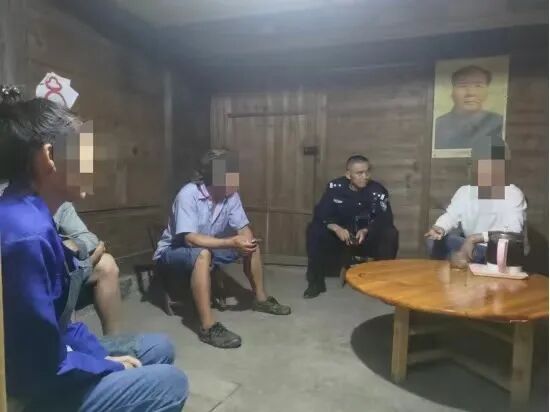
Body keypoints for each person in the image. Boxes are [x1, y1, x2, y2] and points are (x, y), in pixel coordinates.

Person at [0, 87, 187, 411]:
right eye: (83, 153)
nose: (92, 166)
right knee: (171, 383)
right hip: (30, 390)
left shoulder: (33, 214)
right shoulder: (26, 235)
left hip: (51, 356)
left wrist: (101, 358)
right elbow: (37, 368)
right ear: (49, 157)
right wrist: (106, 366)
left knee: (159, 347)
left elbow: (59, 323)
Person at [153, 149, 291, 349]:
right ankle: (208, 327)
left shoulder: (231, 195)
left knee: (251, 243)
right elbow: (190, 240)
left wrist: (245, 240)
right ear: (215, 178)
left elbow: (243, 227)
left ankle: (261, 299)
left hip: (209, 246)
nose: (236, 181)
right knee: (202, 254)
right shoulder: (188, 195)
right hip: (174, 251)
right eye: (230, 176)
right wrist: (231, 242)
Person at [303, 155, 399, 299]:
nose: (365, 176)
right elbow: (321, 214)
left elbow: (385, 219)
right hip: (340, 238)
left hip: (366, 238)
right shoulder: (335, 188)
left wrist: (367, 230)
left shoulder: (378, 190)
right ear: (348, 175)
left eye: (367, 172)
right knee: (314, 230)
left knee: (390, 233)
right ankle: (315, 283)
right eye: (359, 173)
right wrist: (336, 228)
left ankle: (383, 283)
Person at [425, 135, 527, 267]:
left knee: (487, 252)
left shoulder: (513, 194)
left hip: (495, 251)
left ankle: (462, 262)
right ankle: (462, 261)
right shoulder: (465, 192)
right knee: (433, 242)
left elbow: (512, 233)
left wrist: (475, 238)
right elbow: (451, 216)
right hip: (470, 247)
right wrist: (440, 228)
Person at [54, 202, 122, 335]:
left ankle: (115, 341)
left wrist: (71, 246)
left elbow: (89, 238)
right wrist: (87, 260)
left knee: (106, 264)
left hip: (65, 273)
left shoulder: (60, 205)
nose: (84, 194)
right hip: (31, 287)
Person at [434, 65, 503, 150]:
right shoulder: (437, 126)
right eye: (462, 86)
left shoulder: (499, 123)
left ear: (487, 91)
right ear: (452, 92)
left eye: (478, 86)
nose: (471, 93)